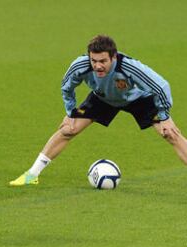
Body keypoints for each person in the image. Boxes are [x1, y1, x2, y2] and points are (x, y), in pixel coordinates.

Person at [10, 35, 187, 186]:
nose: (97, 66)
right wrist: (71, 112)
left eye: (103, 61)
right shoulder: (81, 65)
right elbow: (66, 87)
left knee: (170, 133)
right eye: (94, 61)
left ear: (114, 57)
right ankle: (32, 175)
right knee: (68, 129)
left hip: (138, 99)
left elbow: (161, 86)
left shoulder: (129, 67)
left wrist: (164, 117)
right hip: (103, 97)